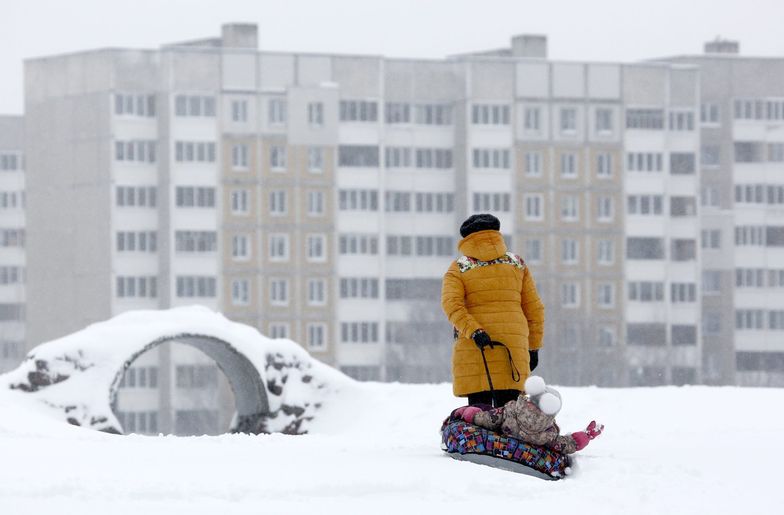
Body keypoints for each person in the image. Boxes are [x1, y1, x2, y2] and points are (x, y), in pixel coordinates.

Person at [441, 213, 545, 406]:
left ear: (467, 239)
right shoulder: (517, 264)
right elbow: (534, 309)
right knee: (509, 416)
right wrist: (533, 346)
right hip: (512, 349)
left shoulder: (459, 268)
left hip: (477, 347)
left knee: (480, 418)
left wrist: (474, 331)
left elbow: (452, 304)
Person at [452, 376, 604, 455]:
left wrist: (470, 414)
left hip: (498, 443)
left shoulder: (509, 411)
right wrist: (585, 436)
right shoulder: (547, 434)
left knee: (485, 409)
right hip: (528, 453)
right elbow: (566, 444)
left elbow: (487, 420)